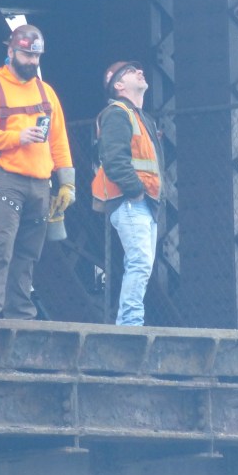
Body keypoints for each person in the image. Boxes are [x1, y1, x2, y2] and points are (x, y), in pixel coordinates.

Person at [0, 24, 75, 319]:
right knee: (1, 247)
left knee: (28, 252)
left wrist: (67, 183)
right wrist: (16, 138)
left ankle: (20, 315)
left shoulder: (46, 92)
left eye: (36, 57)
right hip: (6, 179)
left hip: (41, 183)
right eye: (27, 56)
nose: (32, 62)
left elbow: (59, 140)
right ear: (11, 52)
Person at [91, 60, 164, 326]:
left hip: (143, 202)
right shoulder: (117, 114)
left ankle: (129, 322)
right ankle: (131, 324)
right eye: (132, 71)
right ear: (119, 85)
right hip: (132, 201)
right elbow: (113, 159)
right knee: (140, 262)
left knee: (141, 263)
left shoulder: (140, 118)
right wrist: (135, 191)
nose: (140, 72)